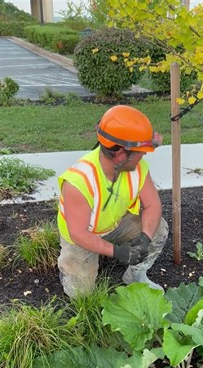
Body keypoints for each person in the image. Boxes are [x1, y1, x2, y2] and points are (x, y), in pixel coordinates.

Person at [57, 104, 168, 299]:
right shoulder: (78, 181)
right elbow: (78, 233)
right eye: (140, 150)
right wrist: (117, 252)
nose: (144, 155)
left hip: (115, 224)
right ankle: (68, 269)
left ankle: (136, 276)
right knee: (81, 295)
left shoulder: (138, 167)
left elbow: (153, 205)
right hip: (82, 236)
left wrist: (145, 238)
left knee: (158, 229)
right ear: (120, 153)